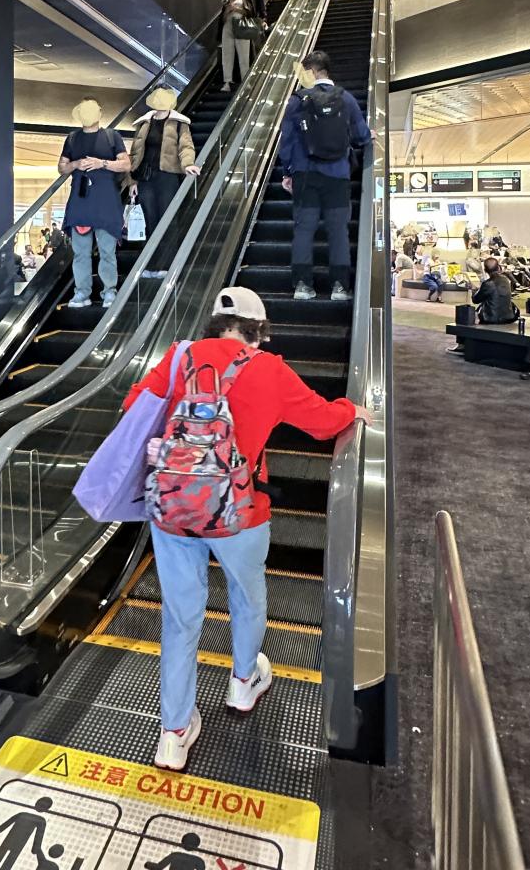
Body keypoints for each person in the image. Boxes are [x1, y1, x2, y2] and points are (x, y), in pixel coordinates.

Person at [122, 286, 371, 770]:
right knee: (247, 595)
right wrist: (352, 411)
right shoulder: (267, 368)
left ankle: (174, 732)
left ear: (215, 326)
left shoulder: (177, 358)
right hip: (242, 511)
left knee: (180, 618)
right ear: (259, 332)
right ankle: (242, 683)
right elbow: (322, 422)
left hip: (174, 510)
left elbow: (134, 411)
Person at [278, 50, 372, 303]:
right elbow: (361, 135)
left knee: (304, 230)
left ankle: (302, 285)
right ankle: (339, 287)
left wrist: (287, 172)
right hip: (337, 175)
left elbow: (287, 140)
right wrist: (368, 136)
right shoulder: (347, 99)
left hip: (305, 174)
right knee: (338, 231)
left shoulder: (297, 100)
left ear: (312, 72)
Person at [58, 97, 131, 309]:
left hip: (105, 201)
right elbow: (61, 167)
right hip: (81, 201)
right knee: (80, 252)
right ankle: (82, 292)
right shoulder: (72, 139)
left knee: (107, 251)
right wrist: (75, 164)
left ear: (99, 113)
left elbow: (126, 164)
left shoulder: (112, 136)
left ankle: (110, 291)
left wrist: (102, 163)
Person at [127, 86, 200, 278]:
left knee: (168, 220)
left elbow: (186, 146)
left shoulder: (179, 123)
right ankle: (149, 265)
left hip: (167, 177)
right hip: (145, 178)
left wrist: (188, 164)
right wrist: (132, 181)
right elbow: (134, 153)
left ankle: (166, 265)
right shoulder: (144, 123)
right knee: (149, 221)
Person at [218, 0, 255, 93]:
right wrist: (227, 10)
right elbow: (222, 19)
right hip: (228, 27)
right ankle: (227, 82)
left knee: (244, 55)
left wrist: (237, 9)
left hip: (241, 26)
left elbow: (251, 13)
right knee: (227, 55)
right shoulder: (227, 1)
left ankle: (245, 81)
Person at [472, 257, 519, 325]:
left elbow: (475, 300)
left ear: (485, 270)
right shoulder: (506, 280)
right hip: (509, 318)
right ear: (498, 267)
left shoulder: (487, 284)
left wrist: (473, 289)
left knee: (479, 307)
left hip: (491, 319)